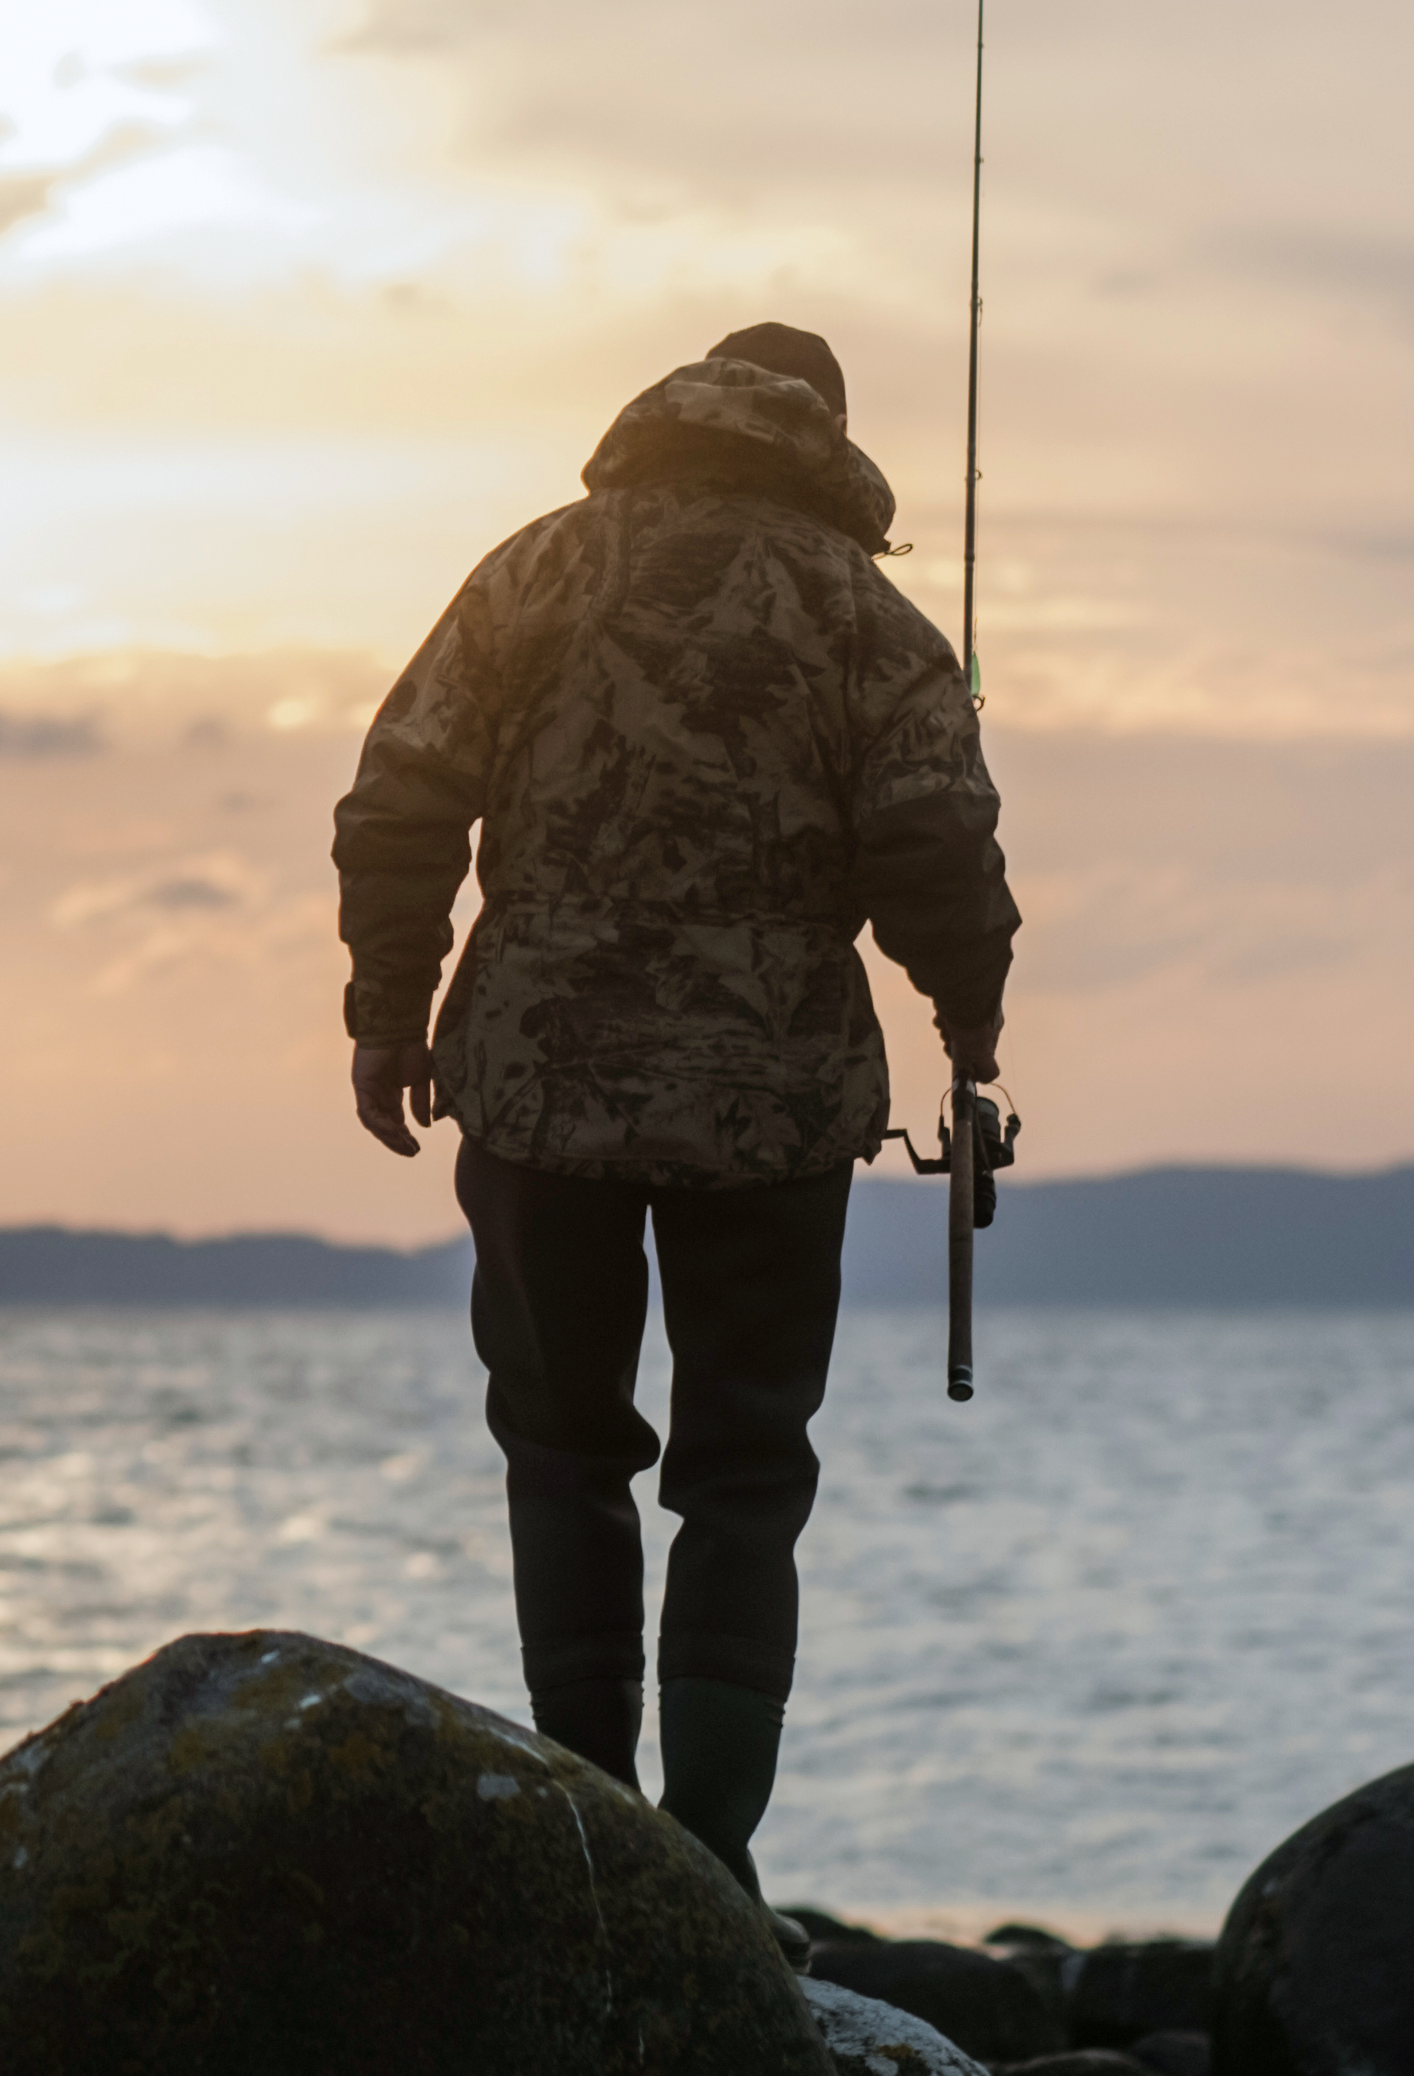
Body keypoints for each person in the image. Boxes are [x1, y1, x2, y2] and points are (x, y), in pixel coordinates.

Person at [328, 322, 1017, 1897]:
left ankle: (585, 1826)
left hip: (531, 1079)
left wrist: (386, 1017)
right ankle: (705, 1865)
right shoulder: (868, 613)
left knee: (560, 1449)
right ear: (826, 439)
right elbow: (933, 840)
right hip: (771, 1103)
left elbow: (403, 797)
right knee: (746, 1467)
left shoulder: (533, 573)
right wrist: (968, 1019)